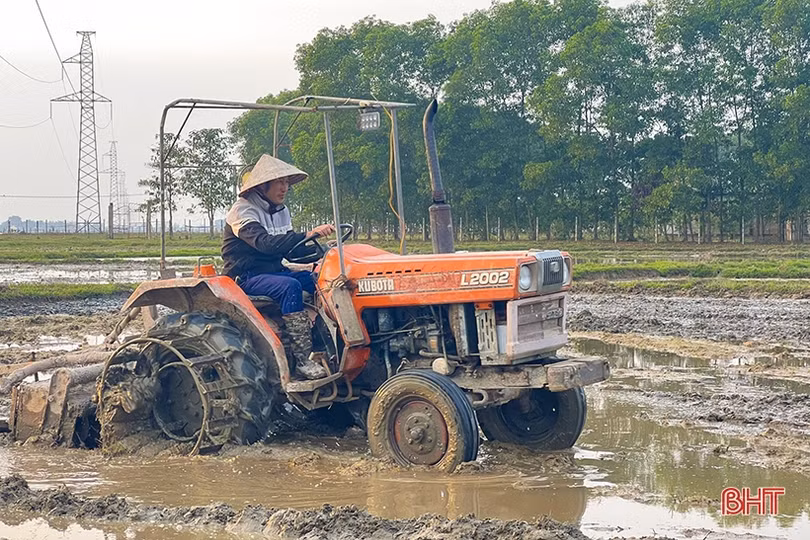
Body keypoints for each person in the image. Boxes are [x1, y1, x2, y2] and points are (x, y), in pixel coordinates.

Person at [222, 154, 335, 380]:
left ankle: (330, 344)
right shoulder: (243, 211)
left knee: (322, 280)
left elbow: (290, 249)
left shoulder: (280, 210)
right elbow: (266, 245)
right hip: (247, 276)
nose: (284, 188)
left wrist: (325, 251)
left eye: (286, 183)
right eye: (279, 182)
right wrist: (307, 233)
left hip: (274, 271)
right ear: (263, 185)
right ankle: (303, 359)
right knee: (290, 286)